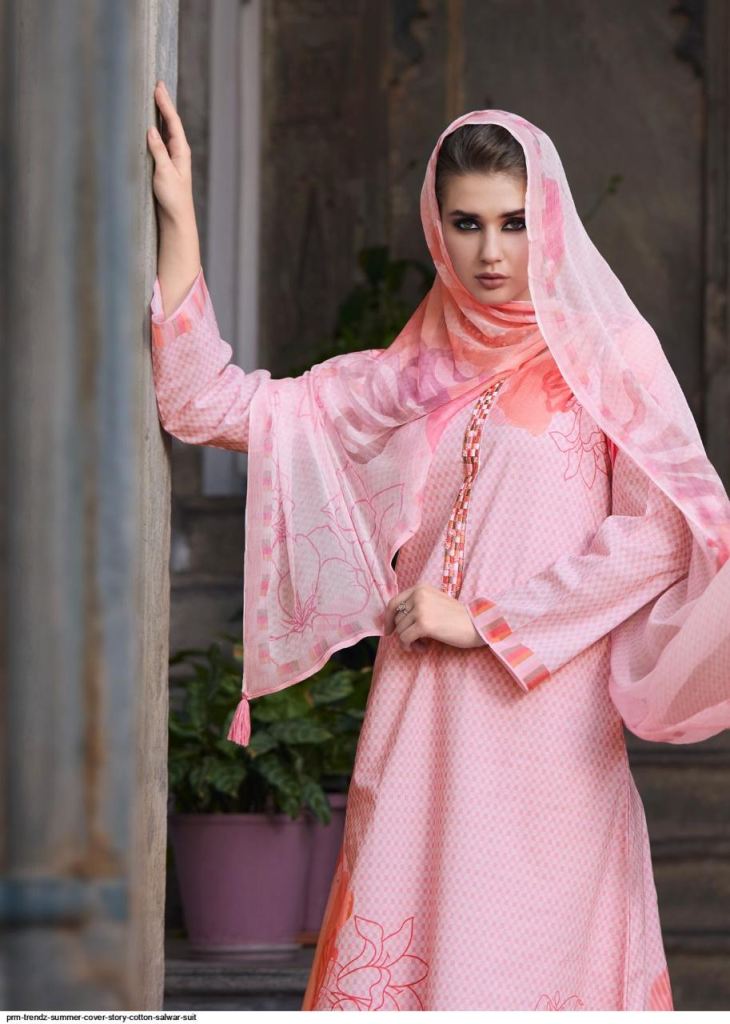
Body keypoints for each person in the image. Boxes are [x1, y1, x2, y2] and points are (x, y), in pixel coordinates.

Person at [147, 88, 730, 1010]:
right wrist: (178, 217)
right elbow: (204, 404)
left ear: (549, 223)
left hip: (547, 734)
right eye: (467, 223)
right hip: (419, 725)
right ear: (437, 226)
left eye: (513, 223)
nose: (492, 252)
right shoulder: (409, 375)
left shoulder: (609, 353)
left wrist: (487, 620)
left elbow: (660, 535)